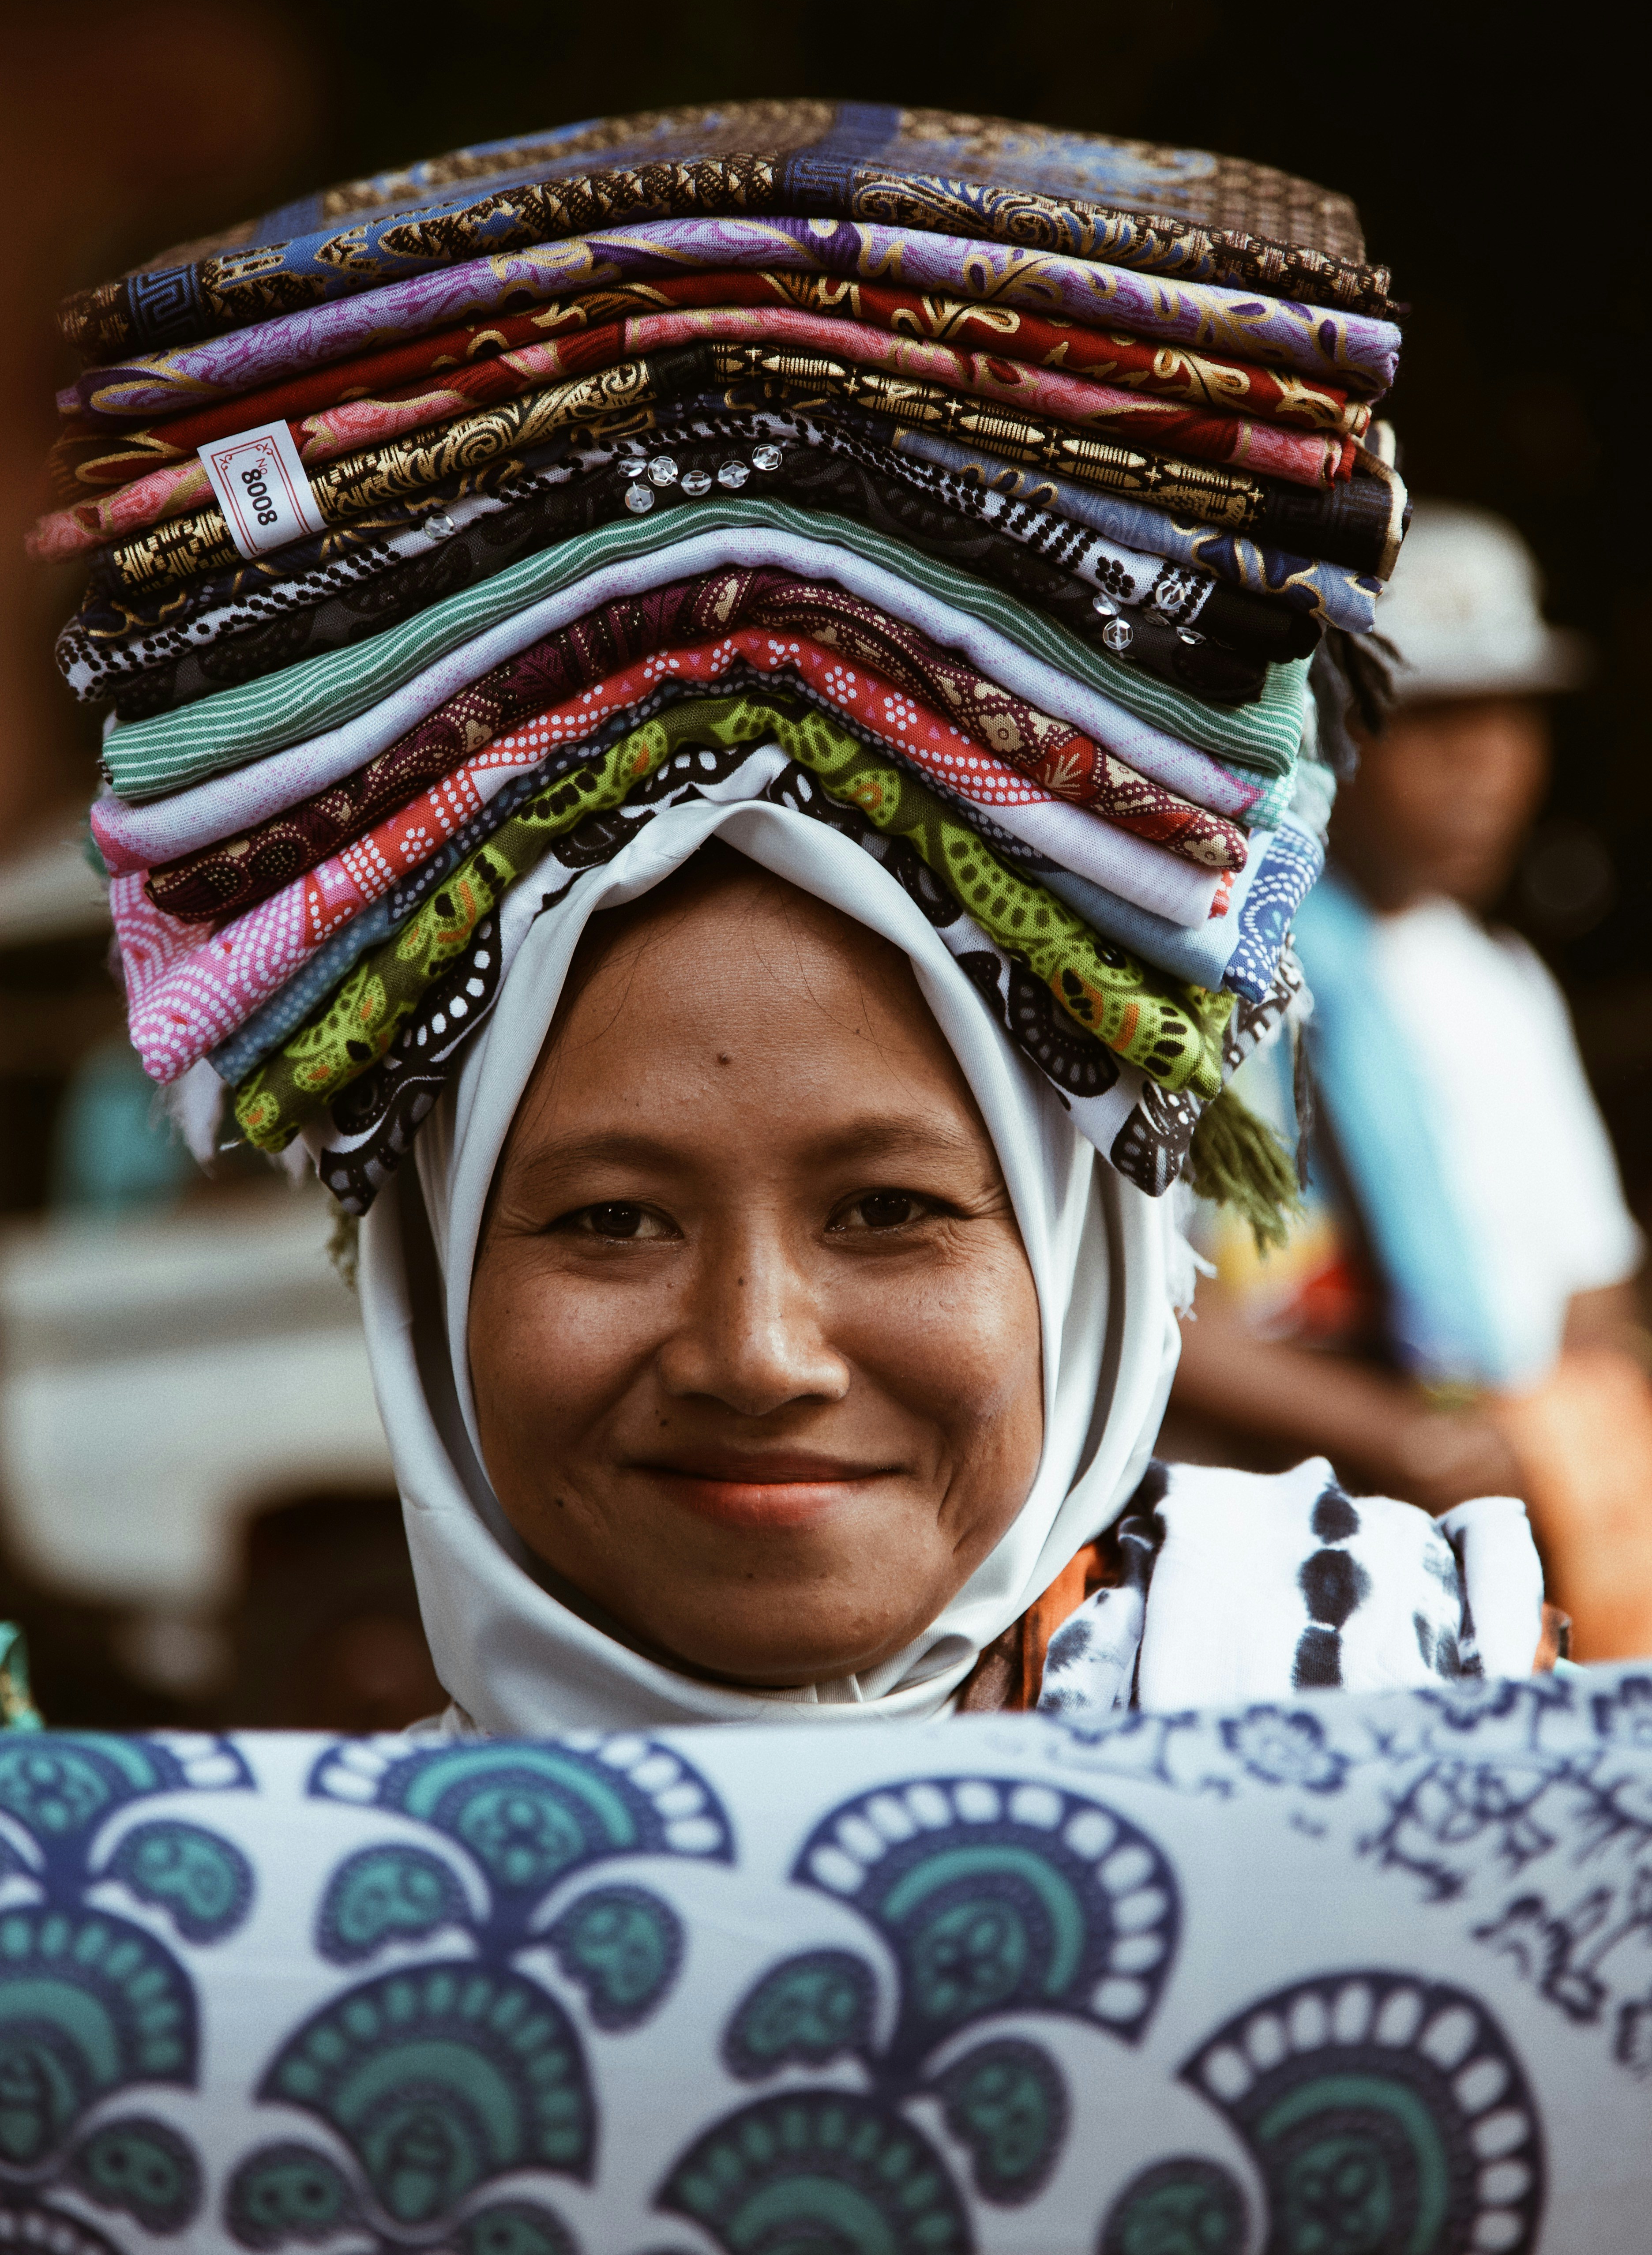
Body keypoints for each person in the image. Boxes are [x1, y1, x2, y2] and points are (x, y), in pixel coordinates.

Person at [357, 810, 1550, 1736]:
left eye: (888, 1209)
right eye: (613, 1221)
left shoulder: (1420, 1710)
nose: (760, 1359)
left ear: (1083, 1265)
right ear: (434, 1265)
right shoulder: (323, 1952)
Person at [1167, 502, 1652, 1657]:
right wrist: (1406, 1436)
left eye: (1510, 720)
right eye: (1436, 720)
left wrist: (1546, 1422)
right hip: (1320, 1535)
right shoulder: (1228, 973)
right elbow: (1170, 1316)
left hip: (1531, 1498)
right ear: (1337, 729)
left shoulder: (1504, 986)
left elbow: (1593, 1289)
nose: (1483, 765)